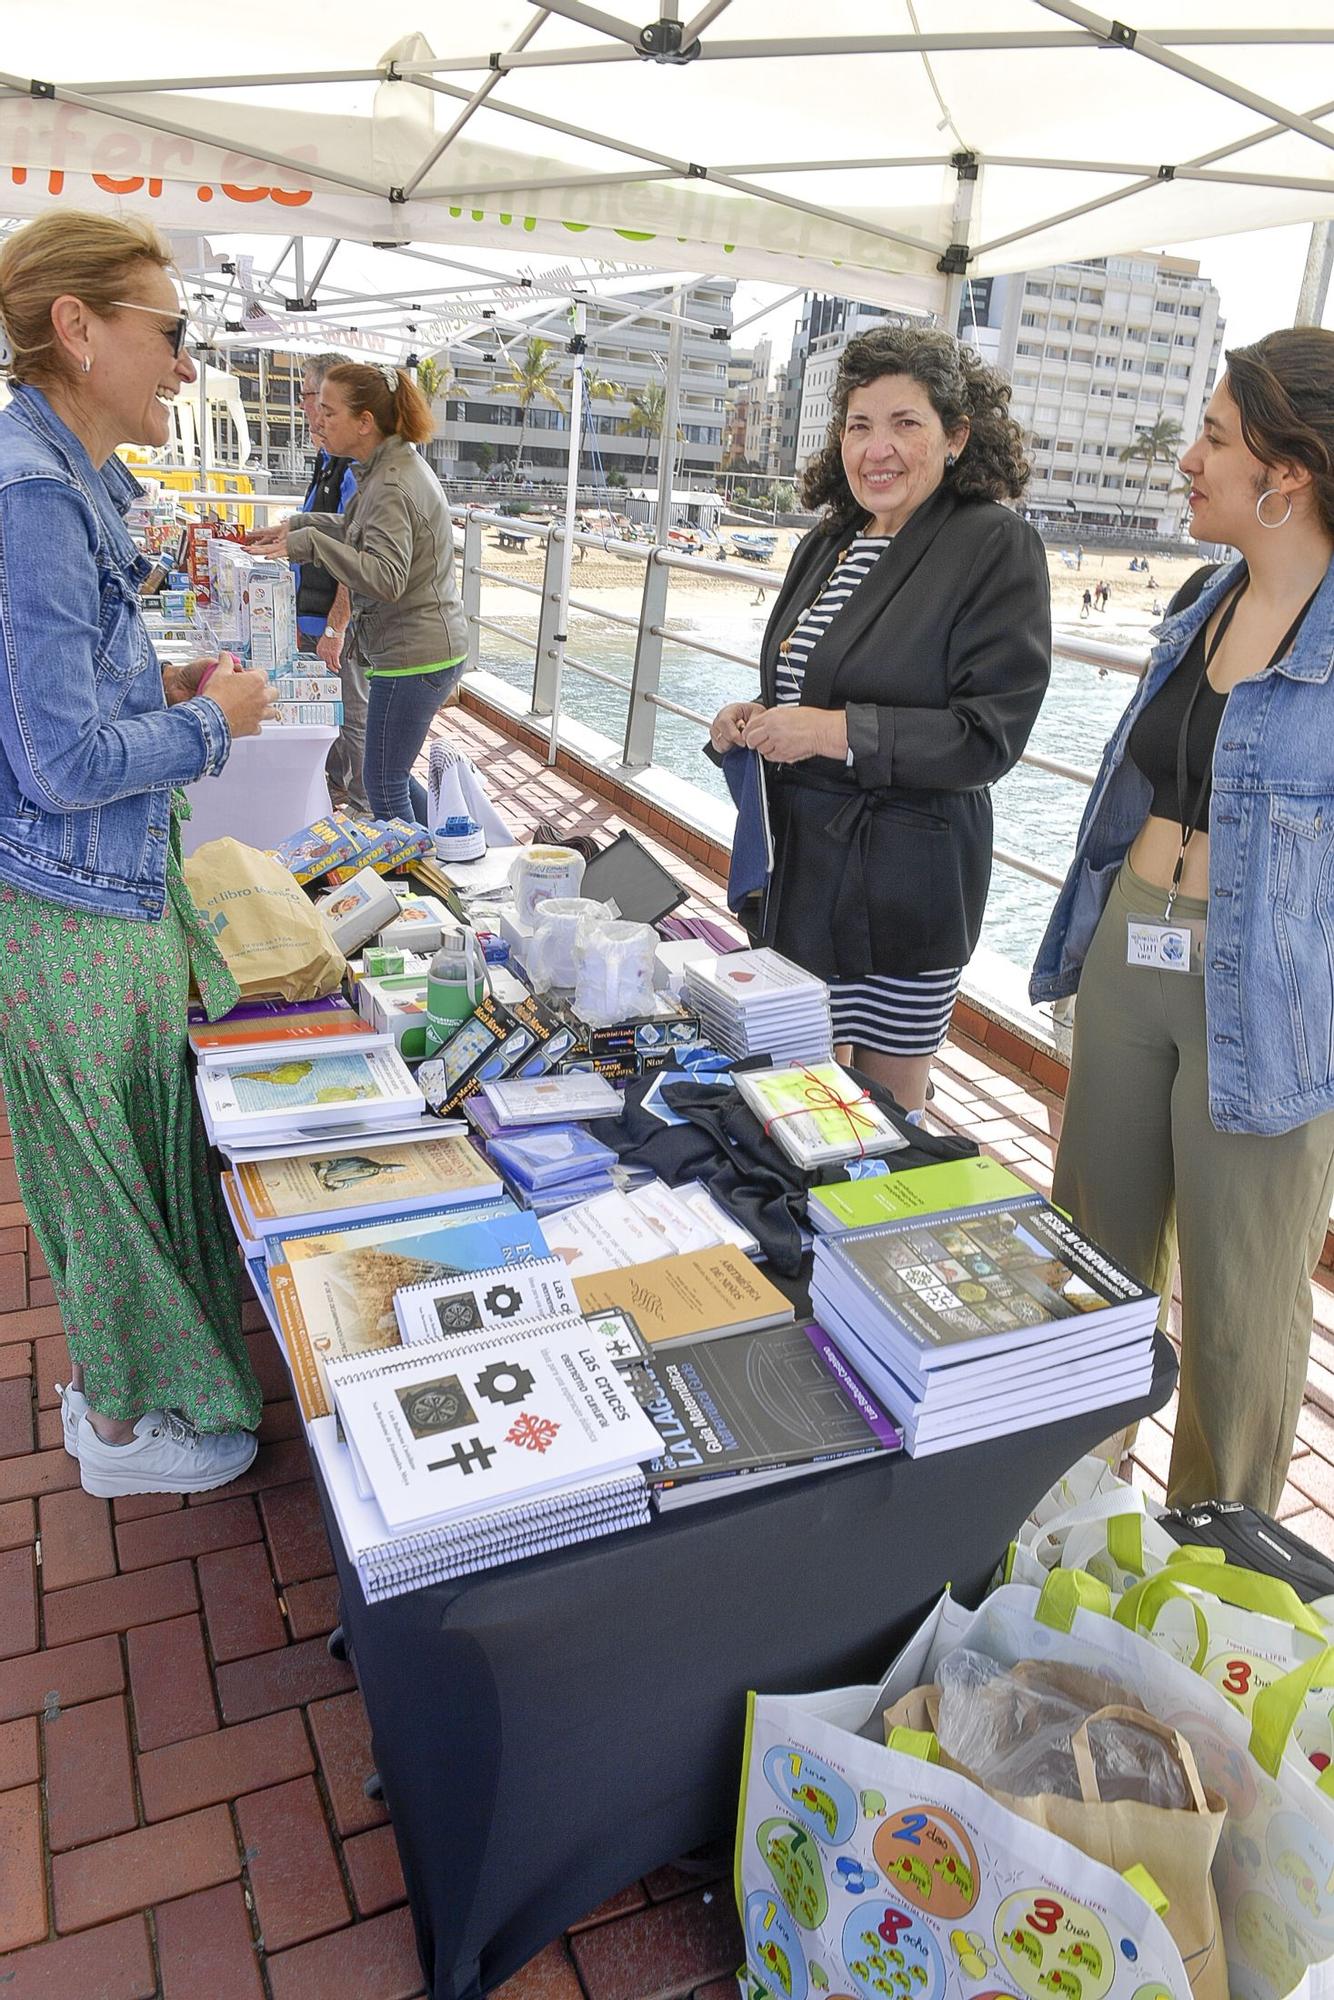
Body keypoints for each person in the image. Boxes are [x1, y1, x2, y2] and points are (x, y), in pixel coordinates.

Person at [1033, 327, 1334, 1512]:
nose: (1186, 462)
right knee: (1085, 1268)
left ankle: (1215, 1577)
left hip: (1261, 1004)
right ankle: (1065, 1529)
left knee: (1236, 1324)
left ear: (1286, 471)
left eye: (1211, 438)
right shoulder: (1201, 602)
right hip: (1128, 948)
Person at [0, 211, 276, 1497]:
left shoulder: (55, 479)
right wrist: (206, 724)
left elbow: (47, 711)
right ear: (78, 326)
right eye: (169, 332)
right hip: (68, 907)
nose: (182, 362)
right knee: (105, 1186)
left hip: (92, 894)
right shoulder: (37, 495)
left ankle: (142, 1392)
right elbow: (56, 769)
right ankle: (120, 1425)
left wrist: (157, 682)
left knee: (125, 1165)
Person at [708, 325, 1050, 1114]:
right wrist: (755, 716)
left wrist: (826, 731)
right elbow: (813, 677)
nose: (878, 449)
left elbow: (987, 736)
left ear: (956, 436)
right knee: (796, 1101)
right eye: (860, 426)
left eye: (906, 424)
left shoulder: (994, 544)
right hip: (803, 879)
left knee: (889, 1118)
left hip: (905, 884)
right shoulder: (832, 538)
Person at [249, 363, 466, 827]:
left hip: (416, 656)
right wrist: (299, 525)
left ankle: (418, 879)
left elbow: (386, 577)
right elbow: (355, 528)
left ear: (364, 422)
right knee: (389, 771)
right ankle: (454, 844)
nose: (318, 420)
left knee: (383, 784)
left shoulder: (390, 484)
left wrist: (308, 545)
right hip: (421, 647)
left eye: (328, 410)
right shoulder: (385, 467)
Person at [293, 354, 361, 810]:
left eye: (307, 397)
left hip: (338, 624)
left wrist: (336, 627)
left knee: (353, 714)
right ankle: (336, 796)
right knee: (324, 713)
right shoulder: (327, 461)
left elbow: (358, 557)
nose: (303, 408)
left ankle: (363, 806)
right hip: (313, 615)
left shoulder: (355, 468)